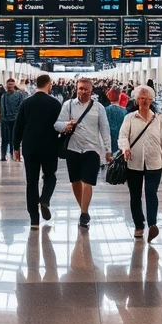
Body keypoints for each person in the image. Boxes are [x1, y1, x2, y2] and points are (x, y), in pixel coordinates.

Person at [54, 77, 112, 229]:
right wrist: (66, 125)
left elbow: (105, 129)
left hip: (92, 149)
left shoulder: (99, 108)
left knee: (88, 181)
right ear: (76, 89)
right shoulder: (69, 105)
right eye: (80, 88)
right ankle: (83, 210)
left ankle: (84, 213)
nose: (83, 91)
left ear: (91, 91)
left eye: (86, 89)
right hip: (73, 149)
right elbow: (57, 124)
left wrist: (108, 150)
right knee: (75, 181)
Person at [119, 86, 162, 243]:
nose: (143, 101)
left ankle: (152, 224)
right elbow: (122, 136)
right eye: (141, 98)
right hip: (133, 162)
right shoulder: (129, 118)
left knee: (151, 193)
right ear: (136, 100)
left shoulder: (158, 119)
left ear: (151, 100)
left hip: (154, 163)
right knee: (135, 195)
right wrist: (125, 148)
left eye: (147, 98)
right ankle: (138, 225)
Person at [13, 74, 63, 228]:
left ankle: (34, 219)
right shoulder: (55, 104)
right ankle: (45, 199)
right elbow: (60, 126)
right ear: (49, 85)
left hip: (30, 147)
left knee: (31, 182)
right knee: (50, 176)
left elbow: (18, 126)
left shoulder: (26, 103)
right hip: (49, 147)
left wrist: (16, 147)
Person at [0, 78, 26, 162]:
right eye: (8, 84)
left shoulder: (19, 95)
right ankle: (3, 155)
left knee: (14, 138)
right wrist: (3, 118)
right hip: (5, 120)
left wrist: (17, 117)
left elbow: (21, 106)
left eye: (11, 84)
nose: (9, 86)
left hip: (15, 120)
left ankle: (14, 154)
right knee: (4, 138)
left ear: (14, 85)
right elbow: (2, 108)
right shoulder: (3, 96)